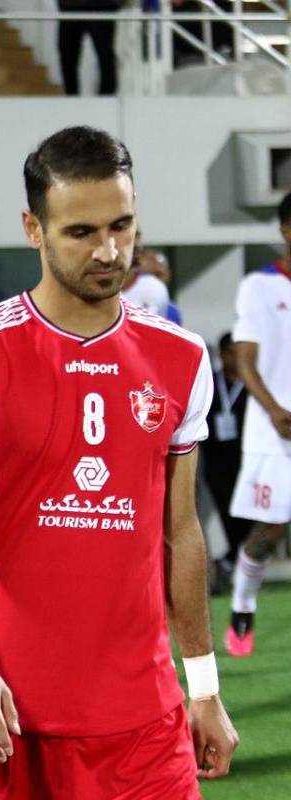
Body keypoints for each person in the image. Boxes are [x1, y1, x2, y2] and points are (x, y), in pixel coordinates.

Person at [0, 126, 238, 797]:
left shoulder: (181, 357)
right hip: (5, 712)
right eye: (81, 232)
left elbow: (181, 531)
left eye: (122, 226)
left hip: (143, 719)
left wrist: (203, 685)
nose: (109, 251)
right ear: (33, 229)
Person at [224, 191, 291, 658]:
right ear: (285, 231)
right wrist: (274, 410)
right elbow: (245, 362)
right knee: (270, 531)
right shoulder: (259, 286)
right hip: (274, 432)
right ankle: (243, 603)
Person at [201, 333, 248, 591]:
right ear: (222, 354)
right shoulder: (211, 382)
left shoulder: (251, 384)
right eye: (231, 352)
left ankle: (230, 562)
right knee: (227, 513)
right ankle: (230, 563)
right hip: (216, 461)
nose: (235, 358)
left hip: (244, 460)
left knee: (245, 515)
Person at [58, 1, 121, 96]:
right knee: (67, 56)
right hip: (72, 7)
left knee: (106, 58)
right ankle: (72, 100)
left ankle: (105, 100)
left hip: (102, 6)